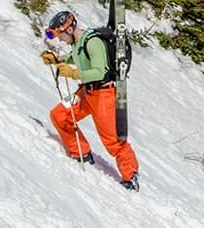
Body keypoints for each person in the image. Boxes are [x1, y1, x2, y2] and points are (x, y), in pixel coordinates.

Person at [41, 10, 140, 191]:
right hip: (86, 93)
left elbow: (100, 71)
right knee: (60, 115)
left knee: (113, 142)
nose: (60, 40)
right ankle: (82, 153)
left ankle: (131, 176)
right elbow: (77, 57)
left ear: (69, 30)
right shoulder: (78, 43)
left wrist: (73, 73)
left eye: (61, 36)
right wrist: (57, 60)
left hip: (103, 95)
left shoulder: (92, 42)